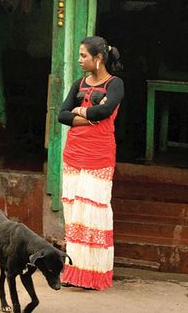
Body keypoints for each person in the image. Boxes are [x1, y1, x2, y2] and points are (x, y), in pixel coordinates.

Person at [57, 36, 124, 290]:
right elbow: (62, 114)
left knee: (94, 212)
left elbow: (104, 112)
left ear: (98, 59)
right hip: (73, 153)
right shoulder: (78, 83)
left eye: (83, 55)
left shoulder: (115, 84)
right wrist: (88, 117)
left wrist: (80, 111)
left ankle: (94, 275)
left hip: (99, 155)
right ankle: (74, 272)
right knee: (74, 213)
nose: (79, 60)